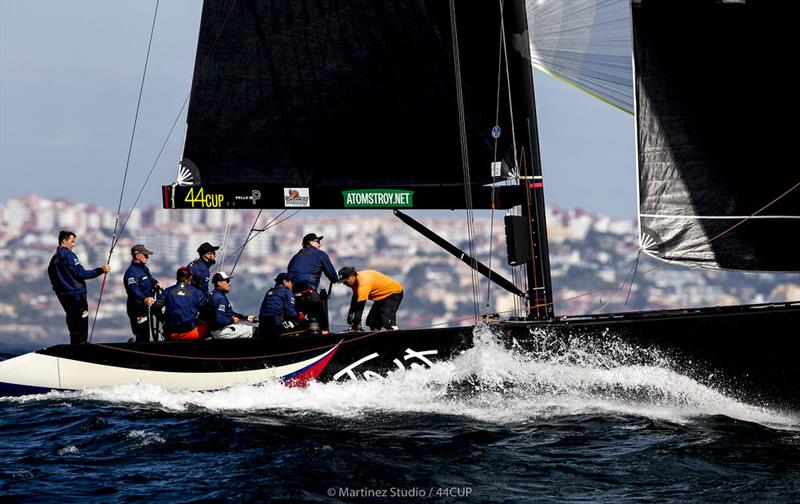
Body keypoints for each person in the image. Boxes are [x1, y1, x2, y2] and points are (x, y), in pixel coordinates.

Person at [47, 230, 111, 344]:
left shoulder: (53, 259)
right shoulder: (68, 255)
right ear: (63, 242)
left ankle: (74, 348)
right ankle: (80, 350)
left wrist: (60, 291)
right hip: (77, 296)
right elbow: (81, 273)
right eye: (72, 241)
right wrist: (101, 270)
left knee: (73, 325)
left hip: (64, 297)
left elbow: (51, 276)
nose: (73, 244)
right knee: (81, 326)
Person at [286, 233, 337, 331]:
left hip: (293, 296)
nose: (320, 245)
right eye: (318, 242)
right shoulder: (320, 254)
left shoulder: (294, 257)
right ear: (310, 243)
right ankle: (324, 335)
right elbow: (333, 277)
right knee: (321, 319)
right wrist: (335, 279)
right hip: (309, 293)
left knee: (299, 323)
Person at [337, 266, 403, 331]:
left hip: (393, 293)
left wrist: (356, 325)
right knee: (372, 322)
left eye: (345, 281)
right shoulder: (354, 282)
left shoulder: (363, 284)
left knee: (387, 321)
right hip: (381, 296)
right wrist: (350, 314)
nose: (344, 284)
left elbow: (360, 308)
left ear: (352, 276)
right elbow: (355, 298)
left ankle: (396, 335)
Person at [153, 267, 208, 340]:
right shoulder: (197, 293)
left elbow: (155, 307)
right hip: (190, 333)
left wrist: (163, 319)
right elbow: (206, 311)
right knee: (209, 327)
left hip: (171, 333)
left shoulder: (168, 291)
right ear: (190, 277)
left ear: (177, 277)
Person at [123, 244, 162, 343]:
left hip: (144, 307)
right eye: (145, 255)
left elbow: (151, 279)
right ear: (137, 256)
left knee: (146, 335)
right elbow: (133, 289)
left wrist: (156, 283)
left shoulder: (144, 268)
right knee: (142, 335)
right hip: (136, 308)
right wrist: (144, 299)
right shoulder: (131, 272)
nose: (148, 257)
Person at [205, 271, 255, 339]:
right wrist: (232, 320)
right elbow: (220, 320)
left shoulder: (214, 294)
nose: (229, 283)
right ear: (219, 283)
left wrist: (244, 318)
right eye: (227, 281)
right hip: (221, 331)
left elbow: (226, 313)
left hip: (216, 330)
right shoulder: (219, 298)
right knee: (254, 331)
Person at [257, 273, 307, 338]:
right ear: (285, 282)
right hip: (276, 325)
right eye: (290, 281)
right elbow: (291, 313)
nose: (292, 284)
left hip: (262, 325)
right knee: (302, 322)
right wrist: (301, 317)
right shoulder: (286, 291)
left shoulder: (270, 291)